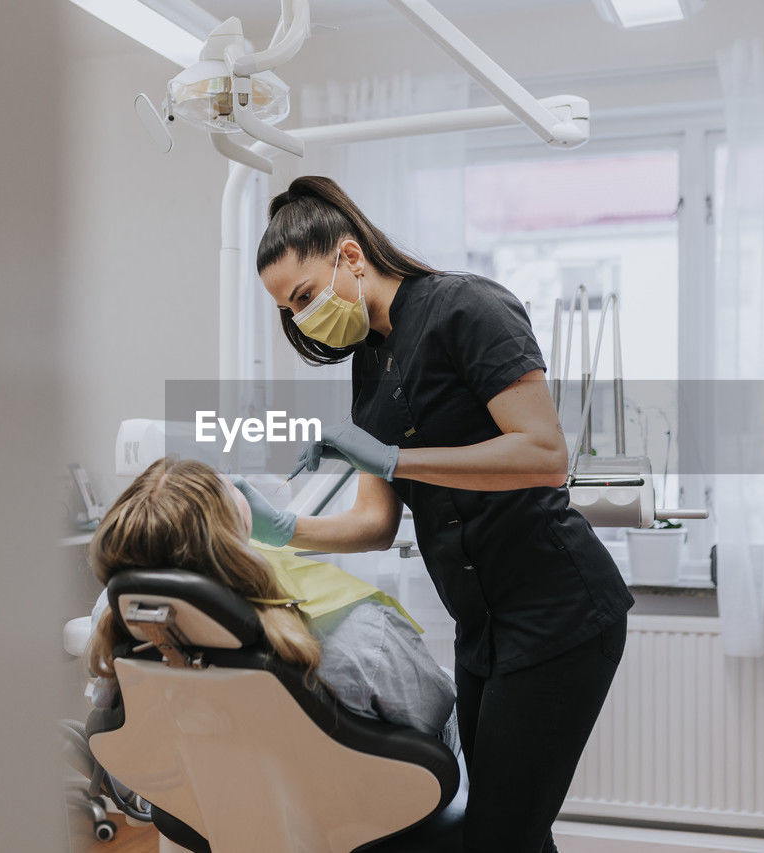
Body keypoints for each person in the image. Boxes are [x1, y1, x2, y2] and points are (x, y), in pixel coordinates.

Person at [237, 174, 634, 853]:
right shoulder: (371, 363)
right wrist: (282, 528)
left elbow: (543, 454)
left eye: (304, 296)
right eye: (288, 310)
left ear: (351, 257)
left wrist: (395, 458)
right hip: (481, 626)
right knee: (511, 830)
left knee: (497, 835)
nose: (302, 319)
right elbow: (376, 522)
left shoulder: (466, 309)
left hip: (560, 611)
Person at [85, 456, 458, 750]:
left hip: (218, 808)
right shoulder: (362, 632)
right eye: (224, 485)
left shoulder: (123, 615)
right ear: (238, 523)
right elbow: (435, 715)